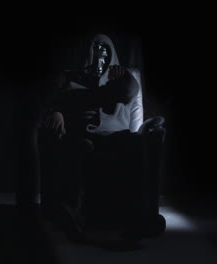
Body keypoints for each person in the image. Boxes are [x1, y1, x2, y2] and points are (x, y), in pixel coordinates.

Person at [39, 34, 165, 242]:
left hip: (116, 135)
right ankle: (74, 218)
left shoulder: (123, 80)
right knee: (80, 147)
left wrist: (123, 76)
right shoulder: (71, 78)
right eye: (95, 48)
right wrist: (56, 111)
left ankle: (143, 220)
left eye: (105, 49)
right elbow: (53, 100)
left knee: (135, 144)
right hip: (85, 135)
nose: (101, 54)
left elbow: (128, 93)